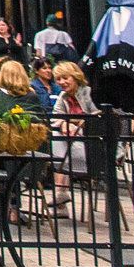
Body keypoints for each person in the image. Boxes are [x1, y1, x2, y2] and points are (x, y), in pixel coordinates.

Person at [51, 61, 99, 206]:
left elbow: (98, 118)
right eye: (58, 79)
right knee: (57, 138)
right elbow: (55, 119)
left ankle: (61, 193)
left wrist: (75, 125)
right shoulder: (63, 97)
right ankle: (61, 193)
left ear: (75, 76)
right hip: (71, 148)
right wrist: (64, 124)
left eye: (65, 78)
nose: (62, 82)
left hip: (93, 149)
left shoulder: (89, 93)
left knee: (59, 143)